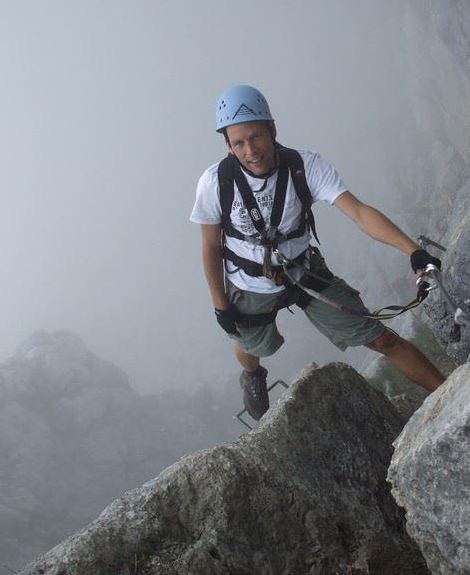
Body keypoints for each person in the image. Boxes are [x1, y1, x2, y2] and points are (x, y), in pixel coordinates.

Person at [190, 85, 445, 420]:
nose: (250, 150)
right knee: (253, 348)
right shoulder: (215, 183)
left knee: (382, 340)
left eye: (256, 137)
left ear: (273, 129)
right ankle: (252, 375)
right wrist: (221, 305)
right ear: (227, 145)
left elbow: (358, 211)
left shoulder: (304, 167)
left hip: (305, 272)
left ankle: (452, 393)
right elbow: (210, 248)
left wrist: (413, 250)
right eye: (238, 142)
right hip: (249, 286)